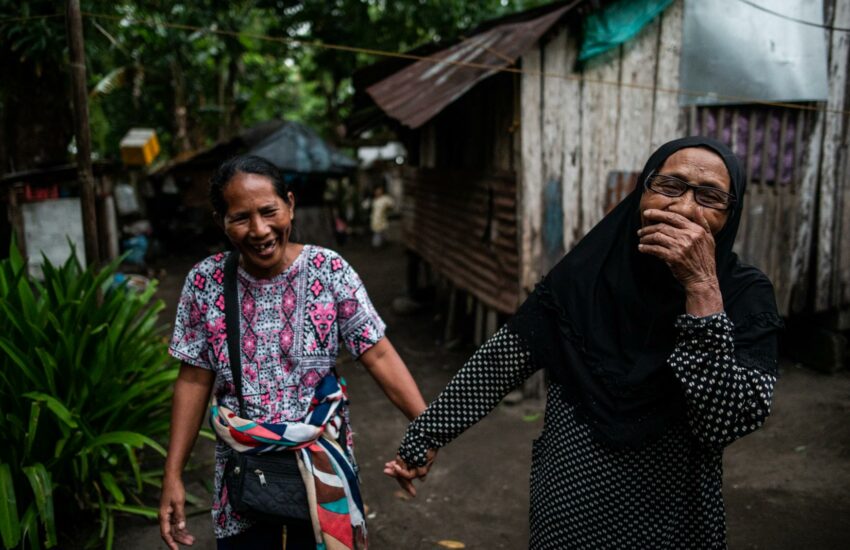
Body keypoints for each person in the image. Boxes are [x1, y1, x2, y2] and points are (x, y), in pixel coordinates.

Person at [384, 137, 783, 549]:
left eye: (709, 197)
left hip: (676, 518)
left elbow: (728, 421)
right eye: (669, 186)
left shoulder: (743, 295)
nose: (683, 207)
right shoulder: (584, 277)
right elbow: (500, 363)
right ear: (642, 192)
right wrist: (426, 435)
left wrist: (701, 288)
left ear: (729, 215)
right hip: (570, 508)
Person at [159, 155, 426, 550]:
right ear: (221, 221)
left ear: (290, 204)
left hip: (321, 469)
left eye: (269, 211)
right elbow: (195, 377)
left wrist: (429, 430)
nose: (259, 230)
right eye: (241, 218)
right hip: (243, 468)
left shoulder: (329, 270)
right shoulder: (206, 282)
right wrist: (172, 476)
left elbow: (378, 354)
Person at [369, 184, 394, 248]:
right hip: (375, 219)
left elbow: (391, 205)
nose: (378, 192)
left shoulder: (385, 199)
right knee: (378, 232)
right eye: (376, 191)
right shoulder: (374, 200)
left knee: (381, 232)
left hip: (382, 219)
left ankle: (378, 244)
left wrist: (388, 208)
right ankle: (378, 244)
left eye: (379, 191)